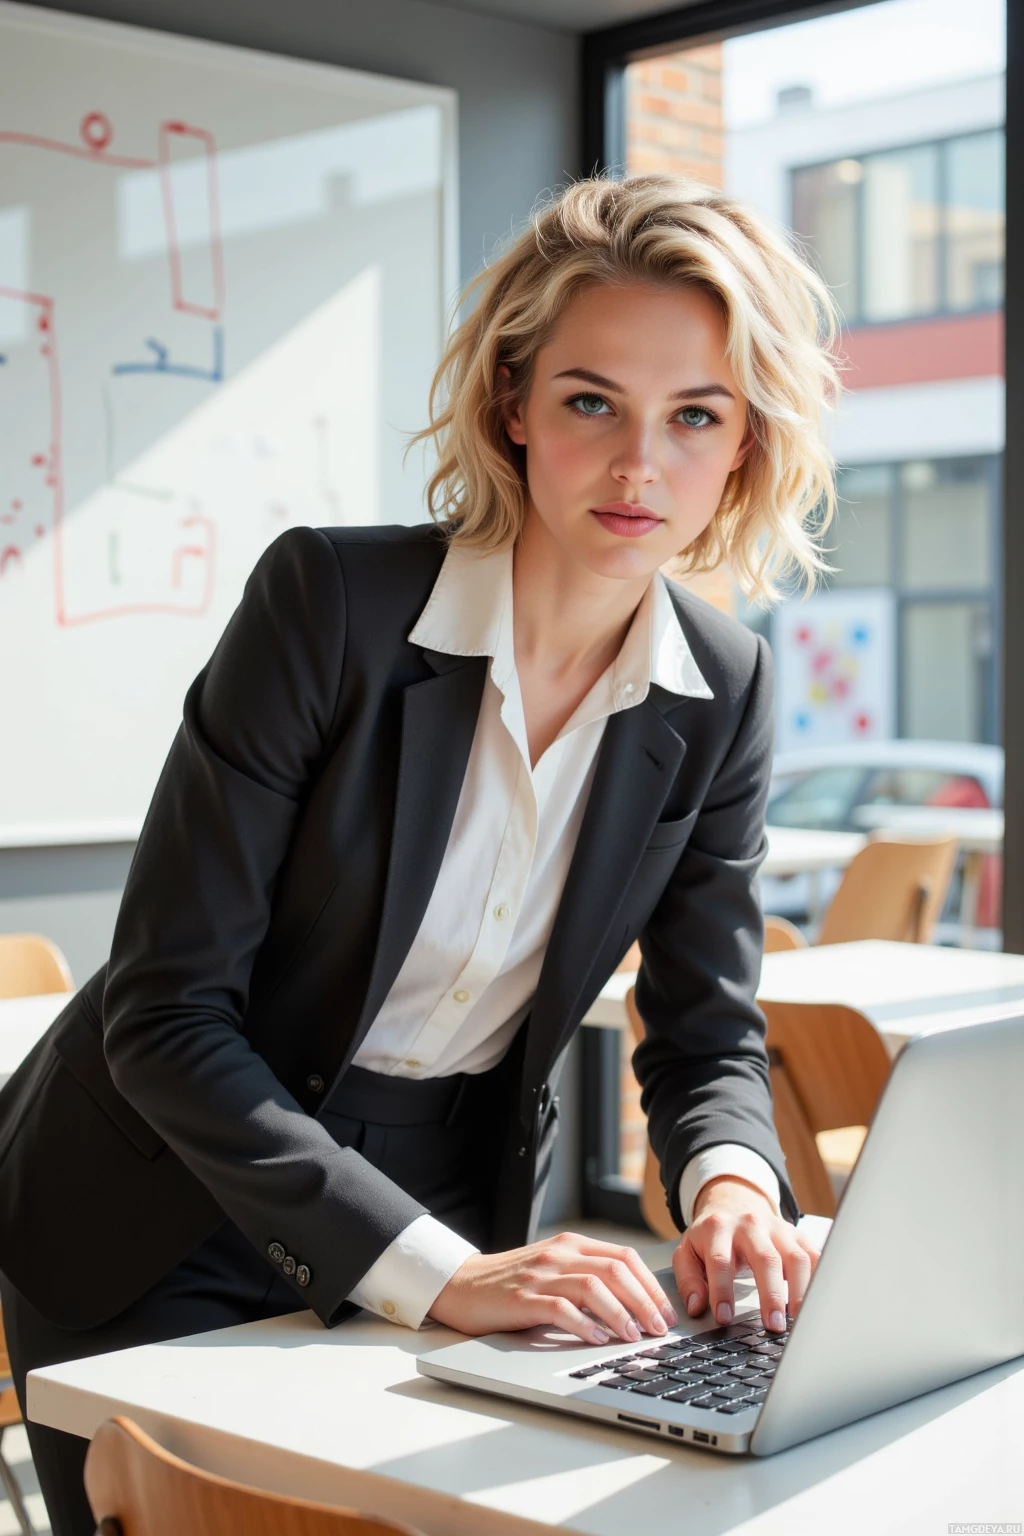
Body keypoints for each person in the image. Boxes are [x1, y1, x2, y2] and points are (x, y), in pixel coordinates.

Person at [0, 173, 838, 1534]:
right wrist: (432, 1272)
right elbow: (166, 1015)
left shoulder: (723, 685)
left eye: (696, 416)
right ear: (514, 405)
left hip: (448, 1183)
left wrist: (734, 1185)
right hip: (166, 1188)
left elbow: (706, 1036)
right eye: (591, 403)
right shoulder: (330, 603)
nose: (641, 468)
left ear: (746, 443)